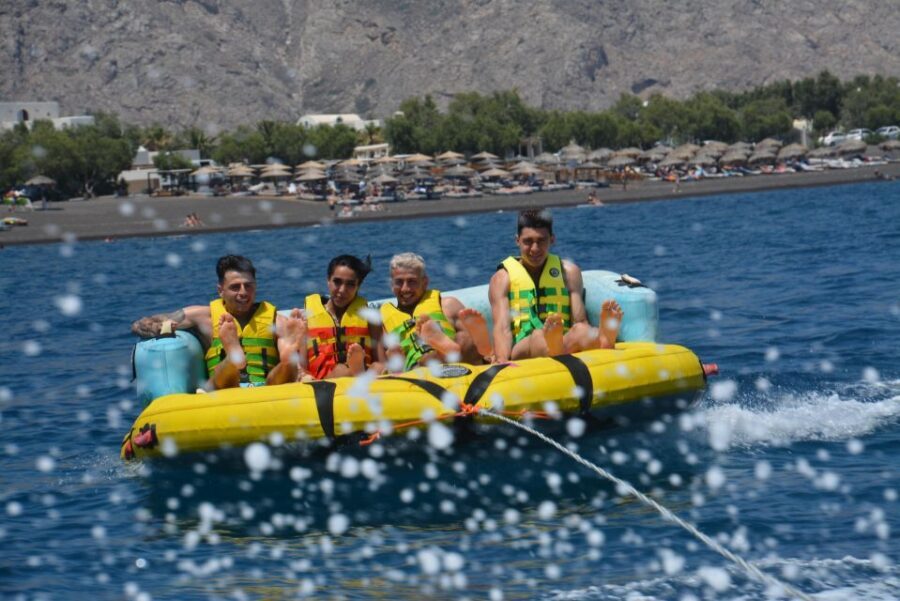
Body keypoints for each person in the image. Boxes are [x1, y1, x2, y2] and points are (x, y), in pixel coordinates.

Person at [131, 255, 305, 390]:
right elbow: (141, 323)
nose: (243, 292)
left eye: (248, 286)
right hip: (222, 391)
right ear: (220, 290)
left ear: (256, 286)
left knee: (286, 366)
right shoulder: (204, 317)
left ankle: (285, 358)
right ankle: (233, 358)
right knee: (225, 375)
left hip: (266, 392)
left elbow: (296, 373)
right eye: (235, 287)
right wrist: (161, 328)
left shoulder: (276, 321)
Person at [488, 208, 623, 363]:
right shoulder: (502, 279)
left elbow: (579, 321)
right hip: (523, 348)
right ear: (517, 240)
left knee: (581, 330)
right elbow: (502, 328)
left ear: (552, 239)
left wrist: (583, 334)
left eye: (541, 240)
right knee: (538, 336)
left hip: (562, 341)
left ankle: (603, 341)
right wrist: (502, 361)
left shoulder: (569, 272)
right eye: (528, 241)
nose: (535, 249)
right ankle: (560, 347)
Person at [380, 253, 493, 371]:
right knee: (427, 358)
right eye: (399, 282)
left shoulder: (448, 305)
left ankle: (447, 349)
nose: (405, 288)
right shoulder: (383, 322)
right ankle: (444, 352)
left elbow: (471, 347)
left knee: (464, 338)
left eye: (412, 281)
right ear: (392, 284)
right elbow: (385, 364)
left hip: (465, 368)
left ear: (425, 282)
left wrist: (488, 355)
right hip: (419, 373)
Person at [302, 255, 385, 379]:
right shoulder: (306, 318)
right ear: (328, 281)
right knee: (341, 370)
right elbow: (302, 366)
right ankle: (356, 371)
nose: (342, 290)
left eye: (350, 284)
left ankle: (357, 370)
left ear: (358, 286)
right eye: (337, 282)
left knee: (378, 367)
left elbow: (382, 362)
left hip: (365, 380)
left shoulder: (371, 320)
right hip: (323, 384)